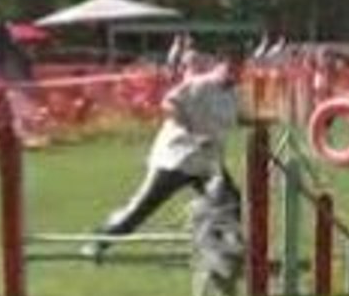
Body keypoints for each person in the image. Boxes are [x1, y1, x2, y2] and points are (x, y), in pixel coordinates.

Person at [81, 48, 248, 263]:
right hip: (176, 159)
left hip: (206, 163)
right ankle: (97, 242)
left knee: (229, 201)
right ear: (221, 65)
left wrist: (261, 122)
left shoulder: (233, 94)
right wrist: (191, 132)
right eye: (233, 67)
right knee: (141, 208)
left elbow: (237, 118)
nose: (237, 73)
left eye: (241, 68)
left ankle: (224, 249)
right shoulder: (199, 84)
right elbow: (169, 103)